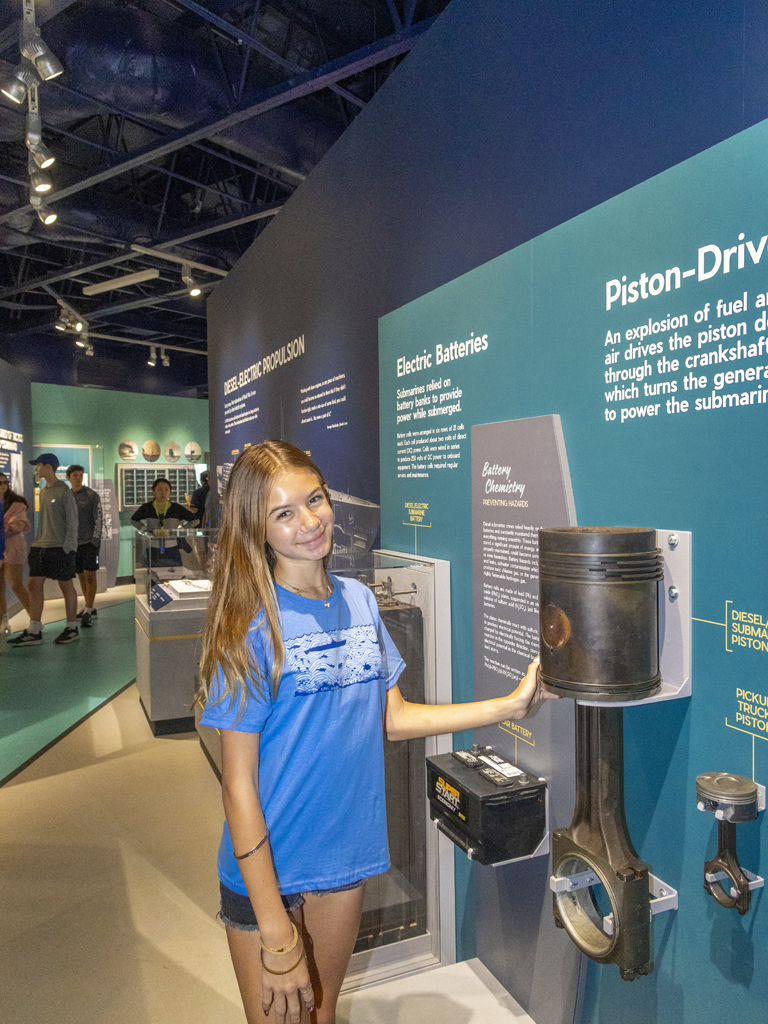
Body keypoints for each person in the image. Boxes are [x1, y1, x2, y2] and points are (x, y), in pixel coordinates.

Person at [197, 441, 555, 1024]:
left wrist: (509, 706)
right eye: (283, 513)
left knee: (321, 1014)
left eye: (314, 499)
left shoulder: (360, 600)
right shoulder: (250, 626)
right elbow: (237, 786)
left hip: (344, 857)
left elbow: (394, 717)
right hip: (268, 871)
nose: (309, 521)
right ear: (255, 528)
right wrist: (276, 932)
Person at [7, 453, 80, 647]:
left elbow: (72, 520)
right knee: (33, 585)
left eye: (39, 466)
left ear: (48, 467)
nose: (37, 469)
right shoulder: (44, 490)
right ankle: (34, 630)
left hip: (59, 547)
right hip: (40, 546)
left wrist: (69, 547)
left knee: (66, 585)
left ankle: (71, 627)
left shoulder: (64, 490)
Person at [66, 464, 102, 628]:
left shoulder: (91, 495)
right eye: (75, 475)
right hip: (74, 543)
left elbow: (99, 519)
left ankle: (88, 609)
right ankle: (89, 606)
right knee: (81, 575)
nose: (78, 478)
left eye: (81, 475)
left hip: (89, 543)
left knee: (90, 575)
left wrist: (95, 542)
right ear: (69, 477)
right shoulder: (66, 496)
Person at [131, 478, 198, 566]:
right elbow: (133, 520)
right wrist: (145, 529)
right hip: (153, 548)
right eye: (160, 489)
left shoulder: (176, 508)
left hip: (172, 548)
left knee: (175, 573)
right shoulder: (147, 507)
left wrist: (180, 530)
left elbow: (195, 520)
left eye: (166, 490)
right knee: (153, 573)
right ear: (153, 491)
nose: (163, 493)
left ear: (170, 492)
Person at [0, 472, 31, 634]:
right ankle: (3, 621)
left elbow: (18, 524)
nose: (3, 486)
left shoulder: (16, 503)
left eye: (5, 482)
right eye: (0, 483)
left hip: (12, 547)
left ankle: (35, 619)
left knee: (16, 584)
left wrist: (4, 529)